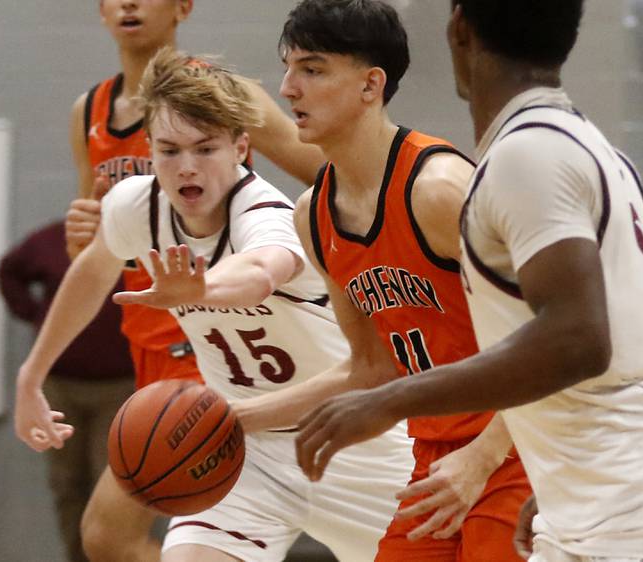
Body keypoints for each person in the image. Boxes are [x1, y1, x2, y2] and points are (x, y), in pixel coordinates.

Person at [294, 1, 643, 561]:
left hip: (639, 516)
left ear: (459, 28)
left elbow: (576, 339)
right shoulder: (601, 153)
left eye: (309, 69)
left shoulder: (524, 156)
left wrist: (389, 401)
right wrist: (571, 472)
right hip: (604, 500)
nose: (291, 86)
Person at [161, 1, 528, 559]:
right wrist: (238, 419)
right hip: (434, 454)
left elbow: (550, 338)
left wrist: (481, 458)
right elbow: (370, 365)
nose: (287, 89)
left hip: (519, 446)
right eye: (287, 69)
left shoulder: (440, 190)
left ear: (370, 85)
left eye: (312, 69)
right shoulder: (314, 215)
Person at [15, 47, 413, 562]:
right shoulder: (138, 205)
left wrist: (202, 290)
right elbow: (93, 271)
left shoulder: (270, 215)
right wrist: (30, 376)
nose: (186, 168)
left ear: (240, 147)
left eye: (204, 149)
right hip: (240, 447)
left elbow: (260, 273)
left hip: (350, 443)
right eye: (169, 151)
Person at [45, 1, 326, 559]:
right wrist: (83, 234)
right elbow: (94, 241)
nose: (129, 3)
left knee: (110, 527)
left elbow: (324, 172)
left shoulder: (221, 94)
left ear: (182, 7)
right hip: (147, 329)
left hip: (217, 335)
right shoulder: (90, 111)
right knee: (108, 537)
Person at [0, 220, 133, 562]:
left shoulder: (137, 238)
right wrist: (36, 315)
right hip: (59, 383)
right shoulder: (49, 238)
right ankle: (77, 557)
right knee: (67, 483)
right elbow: (8, 272)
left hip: (120, 385)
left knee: (114, 486)